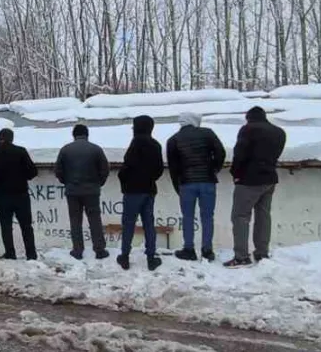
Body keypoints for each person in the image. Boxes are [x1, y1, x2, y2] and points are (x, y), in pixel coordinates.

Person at [226, 106, 287, 267]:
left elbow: (240, 154)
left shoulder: (248, 130)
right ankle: (262, 252)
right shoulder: (279, 132)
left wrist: (236, 174)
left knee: (240, 217)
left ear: (249, 118)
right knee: (263, 216)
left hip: (248, 180)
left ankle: (241, 256)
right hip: (270, 178)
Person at [166, 112, 226, 262]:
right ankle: (207, 250)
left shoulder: (173, 140)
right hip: (207, 181)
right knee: (207, 217)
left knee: (187, 217)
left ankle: (189, 249)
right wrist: (214, 169)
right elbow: (221, 152)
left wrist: (177, 186)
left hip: (186, 183)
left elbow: (173, 168)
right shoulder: (208, 133)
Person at [0, 128, 38, 260]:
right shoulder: (20, 152)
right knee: (26, 226)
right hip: (21, 194)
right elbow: (32, 172)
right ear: (11, 139)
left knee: (6, 227)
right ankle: (31, 254)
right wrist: (22, 177)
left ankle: (10, 253)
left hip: (2, 196)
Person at [54, 124, 110, 260]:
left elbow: (58, 170)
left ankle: (77, 250)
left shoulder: (65, 150)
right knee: (95, 219)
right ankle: (99, 249)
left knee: (75, 220)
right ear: (87, 134)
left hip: (72, 191)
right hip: (92, 191)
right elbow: (105, 169)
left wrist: (66, 182)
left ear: (73, 135)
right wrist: (98, 183)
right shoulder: (96, 149)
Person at [116, 115, 165, 271]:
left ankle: (124, 256)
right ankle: (151, 257)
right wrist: (149, 178)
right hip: (149, 189)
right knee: (149, 224)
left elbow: (127, 166)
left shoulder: (136, 143)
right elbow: (159, 170)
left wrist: (123, 179)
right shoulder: (156, 145)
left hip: (132, 191)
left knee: (129, 224)